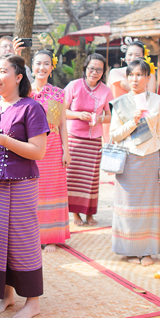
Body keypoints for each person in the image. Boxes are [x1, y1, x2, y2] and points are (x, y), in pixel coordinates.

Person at [0, 55, 49, 318]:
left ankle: (33, 301)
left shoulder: (31, 108)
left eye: (3, 71)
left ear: (18, 77)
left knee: (22, 239)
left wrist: (4, 139)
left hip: (21, 183)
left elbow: (38, 152)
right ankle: (6, 294)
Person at [109, 59, 160, 265]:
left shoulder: (158, 102)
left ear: (148, 78)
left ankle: (147, 250)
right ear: (127, 78)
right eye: (131, 75)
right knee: (127, 206)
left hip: (151, 158)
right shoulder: (120, 103)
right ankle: (129, 250)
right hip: (128, 160)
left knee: (150, 206)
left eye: (139, 75)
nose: (135, 79)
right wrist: (131, 122)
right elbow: (115, 135)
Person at [64, 53, 113, 227]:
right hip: (74, 138)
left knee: (91, 179)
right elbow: (62, 111)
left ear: (103, 72)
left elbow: (110, 115)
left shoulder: (106, 91)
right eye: (92, 68)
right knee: (74, 177)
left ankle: (90, 214)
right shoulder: (73, 86)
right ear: (85, 68)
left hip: (94, 140)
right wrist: (78, 115)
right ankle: (75, 214)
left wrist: (99, 118)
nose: (95, 72)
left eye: (99, 69)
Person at [29, 49, 71, 252]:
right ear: (32, 66)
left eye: (46, 64)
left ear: (51, 68)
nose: (42, 68)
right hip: (30, 147)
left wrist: (66, 150)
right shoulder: (24, 92)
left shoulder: (58, 93)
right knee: (32, 191)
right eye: (38, 63)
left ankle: (52, 237)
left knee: (52, 190)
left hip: (53, 147)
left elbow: (62, 123)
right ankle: (33, 235)